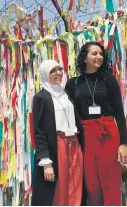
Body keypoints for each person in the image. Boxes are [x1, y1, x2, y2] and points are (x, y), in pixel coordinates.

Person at [65, 41, 127, 206]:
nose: (98, 57)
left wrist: (123, 144)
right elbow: (67, 114)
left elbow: (119, 114)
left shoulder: (109, 81)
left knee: (111, 182)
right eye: (94, 53)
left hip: (107, 133)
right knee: (91, 184)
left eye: (101, 54)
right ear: (84, 58)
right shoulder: (73, 84)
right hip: (84, 136)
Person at [31, 60, 85, 206]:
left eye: (60, 69)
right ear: (45, 74)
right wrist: (46, 161)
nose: (58, 73)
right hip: (57, 147)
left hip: (74, 145)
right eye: (53, 71)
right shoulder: (41, 98)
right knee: (58, 189)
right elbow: (38, 130)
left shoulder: (66, 94)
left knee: (75, 186)